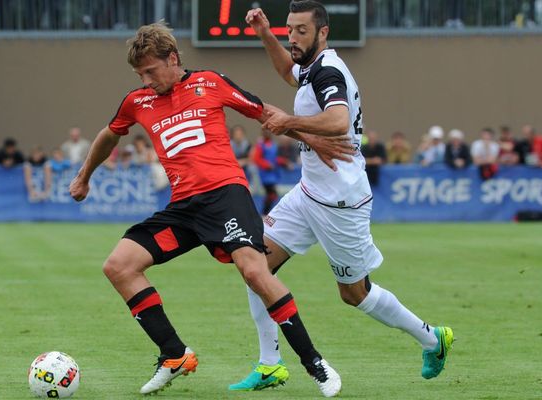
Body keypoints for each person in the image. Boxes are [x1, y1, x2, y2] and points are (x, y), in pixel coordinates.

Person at [68, 21, 345, 397]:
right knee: (118, 266)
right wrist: (85, 177)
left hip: (226, 196)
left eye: (151, 71)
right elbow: (108, 134)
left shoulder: (211, 82)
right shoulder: (138, 101)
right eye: (140, 74)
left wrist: (311, 138)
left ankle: (314, 363)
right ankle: (174, 354)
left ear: (173, 58)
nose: (147, 80)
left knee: (254, 272)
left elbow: (265, 113)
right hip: (183, 208)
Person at [230, 1, 454, 393]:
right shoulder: (311, 68)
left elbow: (336, 120)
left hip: (339, 202)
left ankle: (432, 338)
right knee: (255, 266)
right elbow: (287, 70)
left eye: (302, 31)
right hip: (308, 193)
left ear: (323, 33)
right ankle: (270, 364)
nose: (293, 38)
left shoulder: (329, 70)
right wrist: (265, 33)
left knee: (354, 294)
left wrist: (289, 122)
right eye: (290, 29)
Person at [253, 128, 281, 215]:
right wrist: (267, 165)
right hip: (265, 175)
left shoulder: (273, 144)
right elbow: (256, 159)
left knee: (272, 195)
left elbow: (274, 159)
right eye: (265, 131)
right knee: (272, 194)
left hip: (273, 174)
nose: (267, 133)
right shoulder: (261, 145)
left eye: (269, 131)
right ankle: (264, 213)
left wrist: (284, 162)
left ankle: (265, 213)